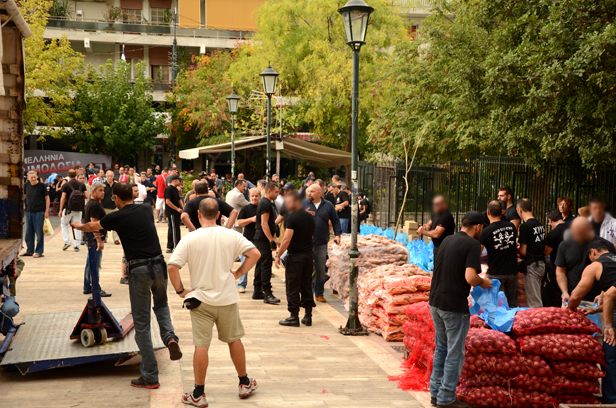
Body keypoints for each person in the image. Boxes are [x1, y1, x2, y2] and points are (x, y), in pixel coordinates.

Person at [71, 182, 182, 389]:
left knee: (141, 324)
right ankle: (169, 337)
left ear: (115, 198)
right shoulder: (146, 209)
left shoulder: (116, 216)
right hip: (159, 265)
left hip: (139, 270)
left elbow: (92, 227)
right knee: (161, 305)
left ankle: (150, 376)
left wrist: (78, 226)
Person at [167, 198, 260, 406]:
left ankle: (199, 394)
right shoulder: (232, 235)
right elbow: (255, 253)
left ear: (198, 215)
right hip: (227, 298)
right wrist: (238, 273)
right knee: (234, 340)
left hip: (200, 300)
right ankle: (244, 382)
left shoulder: (190, 238)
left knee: (201, 345)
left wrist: (181, 291)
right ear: (219, 215)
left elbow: (172, 267)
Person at [429, 211, 491, 408]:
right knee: (454, 353)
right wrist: (484, 282)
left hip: (435, 302)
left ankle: (435, 392)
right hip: (453, 305)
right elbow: (471, 278)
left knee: (441, 348)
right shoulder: (472, 245)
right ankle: (446, 397)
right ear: (479, 227)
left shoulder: (447, 240)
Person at [568, 240, 616, 403]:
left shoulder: (596, 265)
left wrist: (568, 311)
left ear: (593, 252)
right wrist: (594, 310)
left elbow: (575, 296)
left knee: (610, 355)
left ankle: (611, 399)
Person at [275, 193, 316, 327]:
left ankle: (294, 316)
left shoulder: (291, 218)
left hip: (295, 257)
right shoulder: (310, 217)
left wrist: (277, 255)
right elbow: (311, 237)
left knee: (293, 285)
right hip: (308, 256)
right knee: (306, 284)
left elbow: (286, 240)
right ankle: (308, 316)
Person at [556, 217, 616, 307]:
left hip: (598, 300)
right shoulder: (564, 245)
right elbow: (560, 271)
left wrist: (602, 294)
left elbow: (611, 274)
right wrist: (564, 292)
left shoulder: (606, 246)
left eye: (581, 232)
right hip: (571, 298)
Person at [303, 184, 342, 303]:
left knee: (320, 269)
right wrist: (304, 214)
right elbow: (294, 218)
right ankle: (307, 294)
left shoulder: (328, 205)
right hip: (306, 242)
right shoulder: (303, 204)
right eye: (308, 191)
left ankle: (319, 293)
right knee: (306, 269)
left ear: (320, 193)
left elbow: (335, 220)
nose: (309, 193)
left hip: (321, 242)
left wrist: (337, 235)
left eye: (312, 191)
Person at [479, 200, 518, 307]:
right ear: (502, 212)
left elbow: (478, 252)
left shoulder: (486, 232)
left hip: (496, 273)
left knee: (497, 306)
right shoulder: (511, 227)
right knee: (512, 305)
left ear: (488, 213)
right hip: (512, 272)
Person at [82, 182, 111, 297]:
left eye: (103, 190)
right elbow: (94, 224)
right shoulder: (94, 205)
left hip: (91, 238)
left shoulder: (94, 203)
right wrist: (99, 240)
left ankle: (87, 286)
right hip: (94, 238)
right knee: (95, 264)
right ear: (93, 192)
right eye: (100, 190)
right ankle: (96, 288)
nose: (103, 192)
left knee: (90, 263)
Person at [253, 182, 281, 304]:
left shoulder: (265, 203)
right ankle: (267, 293)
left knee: (260, 264)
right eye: (276, 192)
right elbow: (264, 224)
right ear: (269, 191)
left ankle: (257, 290)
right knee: (265, 265)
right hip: (263, 238)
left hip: (261, 237)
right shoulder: (265, 204)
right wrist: (271, 240)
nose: (278, 194)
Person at [516, 198, 546, 308]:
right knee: (537, 297)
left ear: (519, 210)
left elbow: (523, 251)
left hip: (532, 265)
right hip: (540, 264)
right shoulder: (539, 224)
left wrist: (513, 248)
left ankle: (539, 323)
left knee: (534, 302)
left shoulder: (525, 226)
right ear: (531, 208)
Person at [542, 208, 570, 307]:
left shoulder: (553, 234)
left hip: (556, 269)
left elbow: (545, 253)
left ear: (550, 220)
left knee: (551, 298)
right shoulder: (574, 229)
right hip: (572, 268)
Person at [236, 188, 261, 293]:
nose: (254, 198)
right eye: (252, 196)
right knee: (244, 261)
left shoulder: (263, 208)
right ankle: (241, 284)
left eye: (256, 196)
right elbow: (239, 222)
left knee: (261, 263)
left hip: (261, 238)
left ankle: (260, 284)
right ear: (249, 197)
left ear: (260, 196)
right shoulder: (245, 209)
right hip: (248, 238)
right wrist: (251, 219)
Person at [418, 195, 456, 260]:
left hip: (444, 248)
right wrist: (425, 227)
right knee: (437, 268)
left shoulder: (445, 216)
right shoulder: (436, 213)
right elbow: (430, 224)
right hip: (437, 247)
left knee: (441, 268)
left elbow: (437, 234)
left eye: (437, 204)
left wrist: (424, 232)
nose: (435, 206)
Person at [59, 169, 88, 252]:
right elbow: (86, 196)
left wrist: (60, 210)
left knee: (64, 224)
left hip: (68, 209)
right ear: (76, 175)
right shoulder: (81, 185)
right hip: (78, 209)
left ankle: (67, 241)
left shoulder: (65, 185)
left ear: (68, 175)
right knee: (77, 225)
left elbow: (63, 198)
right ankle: (76, 245)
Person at [23, 171, 50, 258]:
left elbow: (47, 198)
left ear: (37, 176)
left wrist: (46, 211)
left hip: (39, 212)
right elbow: (24, 196)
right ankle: (30, 251)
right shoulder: (26, 185)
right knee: (29, 232)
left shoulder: (42, 186)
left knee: (39, 232)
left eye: (35, 177)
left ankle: (39, 251)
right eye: (32, 177)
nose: (34, 179)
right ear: (28, 178)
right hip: (29, 212)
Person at [165, 175, 184, 252]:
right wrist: (177, 209)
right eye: (180, 181)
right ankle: (175, 247)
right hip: (172, 212)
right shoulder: (169, 189)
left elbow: (179, 199)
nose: (181, 182)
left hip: (176, 212)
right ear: (175, 180)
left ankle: (170, 246)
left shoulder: (175, 189)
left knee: (173, 228)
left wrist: (183, 207)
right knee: (174, 229)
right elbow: (167, 201)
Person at [102, 170, 121, 245]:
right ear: (106, 177)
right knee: (104, 224)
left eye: (111, 176)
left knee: (116, 224)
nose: (110, 177)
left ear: (113, 177)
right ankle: (104, 237)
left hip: (114, 207)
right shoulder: (103, 185)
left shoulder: (117, 185)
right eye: (108, 176)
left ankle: (116, 239)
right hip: (105, 207)